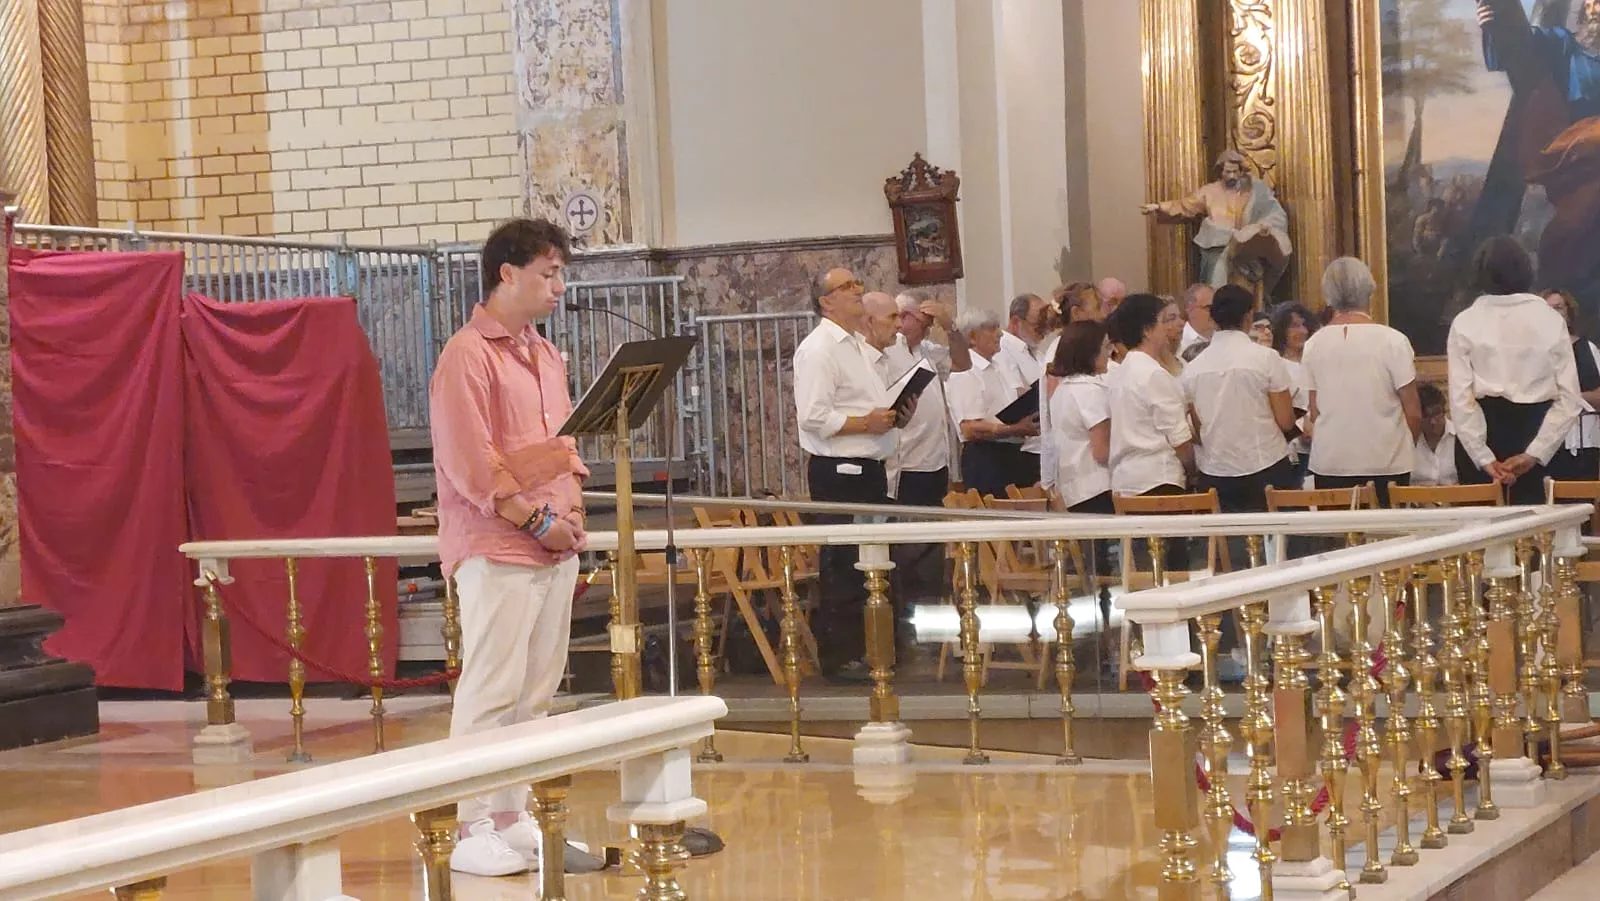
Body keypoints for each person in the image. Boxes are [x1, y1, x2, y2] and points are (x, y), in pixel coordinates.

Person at [429, 218, 604, 877]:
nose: (560, 285)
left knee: (534, 690)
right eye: (549, 272)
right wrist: (535, 521)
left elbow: (563, 448)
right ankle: (470, 821)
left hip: (556, 543)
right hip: (498, 544)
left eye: (561, 272)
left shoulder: (547, 354)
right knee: (492, 687)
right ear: (508, 273)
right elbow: (474, 464)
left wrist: (572, 511)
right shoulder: (466, 355)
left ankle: (512, 812)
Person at [793, 268, 908, 682]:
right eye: (847, 287)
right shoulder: (819, 348)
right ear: (826, 301)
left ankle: (873, 646)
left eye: (858, 284)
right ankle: (841, 657)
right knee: (843, 564)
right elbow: (813, 416)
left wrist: (891, 416)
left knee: (871, 562)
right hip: (840, 470)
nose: (858, 291)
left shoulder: (857, 345)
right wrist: (867, 423)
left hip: (870, 467)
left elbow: (865, 404)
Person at [1447, 237, 1581, 504]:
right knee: (1539, 537)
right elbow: (1570, 398)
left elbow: (1461, 401)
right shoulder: (1551, 320)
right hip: (1538, 431)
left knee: (1482, 538)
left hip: (1483, 434)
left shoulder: (1465, 323)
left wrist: (1483, 457)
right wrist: (1536, 452)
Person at [1302, 257, 1421, 507]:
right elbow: (1413, 412)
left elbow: (1314, 410)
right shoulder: (1393, 341)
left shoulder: (1314, 344)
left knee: (1342, 543)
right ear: (1369, 290)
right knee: (1390, 542)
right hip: (1387, 461)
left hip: (1331, 462)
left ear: (1329, 295)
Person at [1181, 284, 1297, 514]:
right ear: (1249, 316)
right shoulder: (1265, 359)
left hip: (1216, 471)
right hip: (1266, 466)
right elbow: (1285, 421)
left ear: (1214, 318)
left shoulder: (1193, 369)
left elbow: (1198, 425)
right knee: (1280, 544)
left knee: (1227, 546)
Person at [1106, 293, 1196, 571]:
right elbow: (1179, 437)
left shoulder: (1122, 371)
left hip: (1127, 481)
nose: (1167, 329)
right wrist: (1194, 470)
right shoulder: (1153, 374)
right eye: (1161, 322)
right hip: (1159, 480)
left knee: (1145, 568)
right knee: (1170, 569)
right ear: (1146, 330)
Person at [1141, 149, 1293, 294]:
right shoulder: (1209, 191)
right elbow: (1186, 205)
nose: (1232, 175)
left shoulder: (1254, 190)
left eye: (1235, 171)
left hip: (1243, 252)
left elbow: (1273, 212)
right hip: (1216, 247)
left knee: (1244, 292)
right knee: (1215, 286)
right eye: (1228, 171)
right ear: (1221, 172)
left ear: (1241, 171)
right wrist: (1159, 207)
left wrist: (1262, 227)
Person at [947, 309, 1040, 498]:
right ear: (972, 337)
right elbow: (969, 428)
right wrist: (1015, 428)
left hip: (1013, 453)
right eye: (991, 329)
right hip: (985, 458)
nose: (999, 333)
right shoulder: (965, 370)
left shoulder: (1000, 364)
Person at [1543, 289, 1600, 480]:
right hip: (1544, 442)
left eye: (1558, 308)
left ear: (1569, 312)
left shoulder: (1587, 349)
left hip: (1583, 441)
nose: (1553, 313)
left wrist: (1570, 397)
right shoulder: (1531, 352)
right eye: (1547, 308)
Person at [996, 294, 1050, 487]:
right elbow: (1015, 393)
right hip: (1023, 448)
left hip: (1043, 447)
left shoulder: (1038, 352)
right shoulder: (1002, 348)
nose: (1043, 331)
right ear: (1016, 321)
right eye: (1038, 325)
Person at [1271, 302, 1320, 485]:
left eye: (1304, 325)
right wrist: (1302, 426)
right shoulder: (1276, 364)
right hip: (1293, 451)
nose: (1302, 331)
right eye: (1294, 326)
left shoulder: (1316, 362)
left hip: (1321, 446)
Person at [1414, 382, 1459, 487]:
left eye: (1437, 414)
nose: (1433, 422)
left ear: (1444, 410)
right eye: (1426, 417)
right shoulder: (1408, 440)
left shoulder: (1460, 437)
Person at [1177, 284, 1215, 358]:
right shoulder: (1179, 341)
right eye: (1208, 307)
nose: (1214, 312)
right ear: (1190, 308)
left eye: (1216, 307)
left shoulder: (1223, 337)